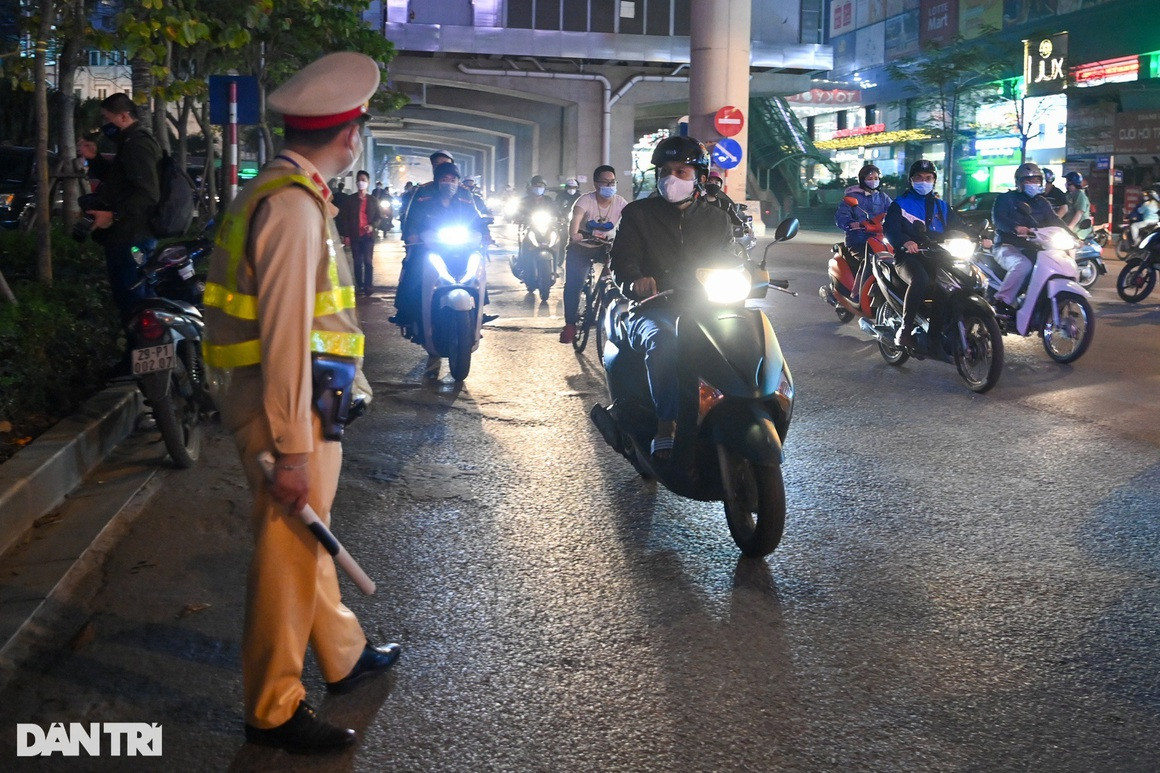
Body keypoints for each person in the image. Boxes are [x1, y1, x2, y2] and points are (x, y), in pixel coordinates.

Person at [201, 51, 401, 754]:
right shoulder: (291, 208)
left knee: (308, 540)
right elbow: (286, 336)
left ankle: (342, 653)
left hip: (299, 402)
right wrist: (291, 447)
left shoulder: (283, 191)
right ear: (350, 135)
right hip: (288, 408)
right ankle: (274, 706)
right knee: (287, 554)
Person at [609, 135, 733, 459]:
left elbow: (731, 260)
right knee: (663, 341)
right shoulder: (638, 214)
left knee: (746, 335)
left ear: (700, 178)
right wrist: (635, 280)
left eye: (681, 171)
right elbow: (622, 259)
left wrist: (746, 276)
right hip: (653, 308)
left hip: (707, 306)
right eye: (665, 171)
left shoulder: (718, 219)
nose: (671, 179)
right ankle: (667, 422)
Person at [77, 93, 161, 334]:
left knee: (134, 302)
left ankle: (146, 357)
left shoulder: (138, 144)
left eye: (106, 118)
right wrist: (95, 160)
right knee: (132, 301)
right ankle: (143, 356)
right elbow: (122, 183)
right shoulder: (128, 144)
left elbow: (147, 194)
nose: (104, 125)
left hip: (132, 236)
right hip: (126, 235)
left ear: (124, 116)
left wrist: (113, 216)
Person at [393, 161, 489, 354]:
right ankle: (405, 312)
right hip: (428, 245)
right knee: (412, 269)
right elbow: (411, 218)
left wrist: (485, 233)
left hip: (460, 247)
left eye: (453, 179)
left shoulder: (465, 195)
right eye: (444, 179)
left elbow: (475, 219)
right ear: (437, 180)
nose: (449, 183)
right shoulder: (422, 194)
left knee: (478, 270)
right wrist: (412, 234)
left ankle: (481, 310)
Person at [884, 159, 969, 348]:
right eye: (919, 178)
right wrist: (905, 242)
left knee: (958, 281)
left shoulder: (942, 206)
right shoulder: (900, 204)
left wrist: (979, 235)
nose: (924, 181)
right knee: (920, 280)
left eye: (928, 178)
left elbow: (959, 225)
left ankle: (940, 330)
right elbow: (890, 229)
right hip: (908, 257)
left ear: (934, 180)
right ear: (911, 180)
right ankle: (905, 330)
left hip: (938, 256)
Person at [559, 164, 628, 344]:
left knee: (618, 274)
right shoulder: (584, 201)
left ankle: (606, 300)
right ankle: (570, 325)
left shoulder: (620, 202)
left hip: (605, 248)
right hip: (581, 247)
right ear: (596, 184)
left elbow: (631, 222)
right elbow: (574, 225)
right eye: (605, 182)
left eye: (612, 182)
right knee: (574, 284)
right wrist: (577, 234)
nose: (610, 186)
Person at [990, 161, 1068, 318]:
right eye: (1028, 180)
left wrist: (1074, 237)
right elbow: (999, 219)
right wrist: (1015, 227)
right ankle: (1002, 302)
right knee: (1023, 265)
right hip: (1007, 245)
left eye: (1036, 180)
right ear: (1019, 182)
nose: (1033, 184)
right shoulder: (1006, 199)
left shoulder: (1042, 202)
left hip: (1034, 246)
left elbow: (1055, 220)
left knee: (1052, 265)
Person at [337, 169, 381, 296]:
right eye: (359, 180)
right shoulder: (350, 200)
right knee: (357, 261)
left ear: (368, 182)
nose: (361, 182)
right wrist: (346, 235)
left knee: (368, 261)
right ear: (356, 183)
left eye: (364, 180)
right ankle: (359, 285)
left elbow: (378, 217)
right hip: (355, 235)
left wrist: (372, 226)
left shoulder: (373, 200)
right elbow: (344, 218)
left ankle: (368, 285)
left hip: (368, 236)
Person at [1060, 171, 1092, 239]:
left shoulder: (1080, 195)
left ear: (1070, 182)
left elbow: (1079, 213)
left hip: (1078, 231)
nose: (1066, 183)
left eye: (1067, 181)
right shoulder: (1068, 194)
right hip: (1067, 230)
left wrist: (1070, 227)